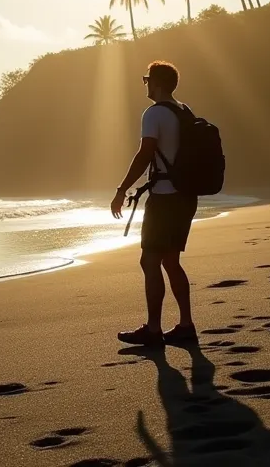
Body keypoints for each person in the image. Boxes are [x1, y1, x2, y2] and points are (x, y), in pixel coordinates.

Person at [110, 61, 198, 347]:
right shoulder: (184, 110)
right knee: (171, 261)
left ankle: (153, 329)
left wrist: (122, 189)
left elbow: (145, 153)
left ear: (157, 83)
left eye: (146, 79)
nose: (145, 83)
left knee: (149, 260)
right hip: (186, 196)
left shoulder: (154, 113)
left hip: (164, 198)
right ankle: (185, 325)